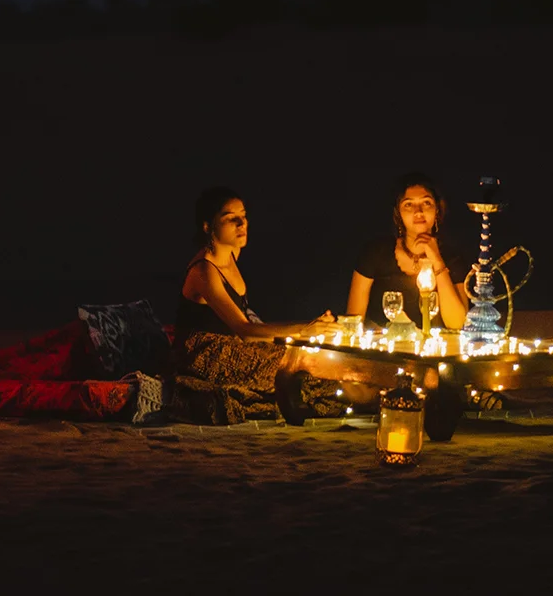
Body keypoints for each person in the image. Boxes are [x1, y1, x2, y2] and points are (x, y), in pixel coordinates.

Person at [172, 186, 337, 425]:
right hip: (205, 354)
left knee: (309, 359)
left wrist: (310, 332)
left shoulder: (232, 253)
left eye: (244, 216)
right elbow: (243, 328)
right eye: (231, 219)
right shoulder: (203, 270)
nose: (242, 224)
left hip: (234, 344)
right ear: (208, 227)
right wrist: (304, 329)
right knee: (299, 369)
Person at [345, 176, 470, 332]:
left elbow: (457, 323)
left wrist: (437, 260)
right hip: (383, 351)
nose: (418, 212)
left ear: (437, 210)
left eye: (426, 203)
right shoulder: (376, 253)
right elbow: (353, 321)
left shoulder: (452, 259)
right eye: (409, 204)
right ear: (398, 213)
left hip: (434, 352)